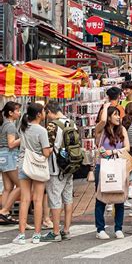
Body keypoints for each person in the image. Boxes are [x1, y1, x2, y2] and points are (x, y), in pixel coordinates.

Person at [13, 103, 52, 245]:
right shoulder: (42, 131)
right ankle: (36, 235)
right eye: (43, 112)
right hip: (38, 167)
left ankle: (21, 234)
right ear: (38, 115)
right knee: (38, 200)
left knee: (25, 200)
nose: (44, 114)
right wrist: (53, 148)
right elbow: (46, 152)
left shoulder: (22, 128)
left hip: (24, 164)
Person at [40, 102, 79, 242]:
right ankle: (66, 230)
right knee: (68, 198)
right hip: (70, 167)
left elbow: (48, 148)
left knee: (55, 199)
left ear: (50, 111)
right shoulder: (72, 123)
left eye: (48, 113)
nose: (47, 117)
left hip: (56, 168)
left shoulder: (52, 125)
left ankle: (55, 232)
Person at [94, 106, 130, 240]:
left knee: (119, 197)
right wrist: (106, 105)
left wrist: (113, 152)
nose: (118, 117)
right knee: (101, 198)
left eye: (118, 115)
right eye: (115, 114)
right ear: (108, 116)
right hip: (102, 166)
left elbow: (127, 147)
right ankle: (100, 228)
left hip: (118, 166)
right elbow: (102, 122)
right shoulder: (101, 130)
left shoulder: (122, 129)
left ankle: (118, 228)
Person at [0, 101, 21, 224]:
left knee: (8, 187)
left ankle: (4, 214)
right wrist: (23, 138)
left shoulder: (3, 124)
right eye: (17, 111)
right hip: (9, 156)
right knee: (20, 185)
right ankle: (4, 210)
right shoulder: (10, 126)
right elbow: (11, 144)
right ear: (10, 113)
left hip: (2, 157)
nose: (19, 113)